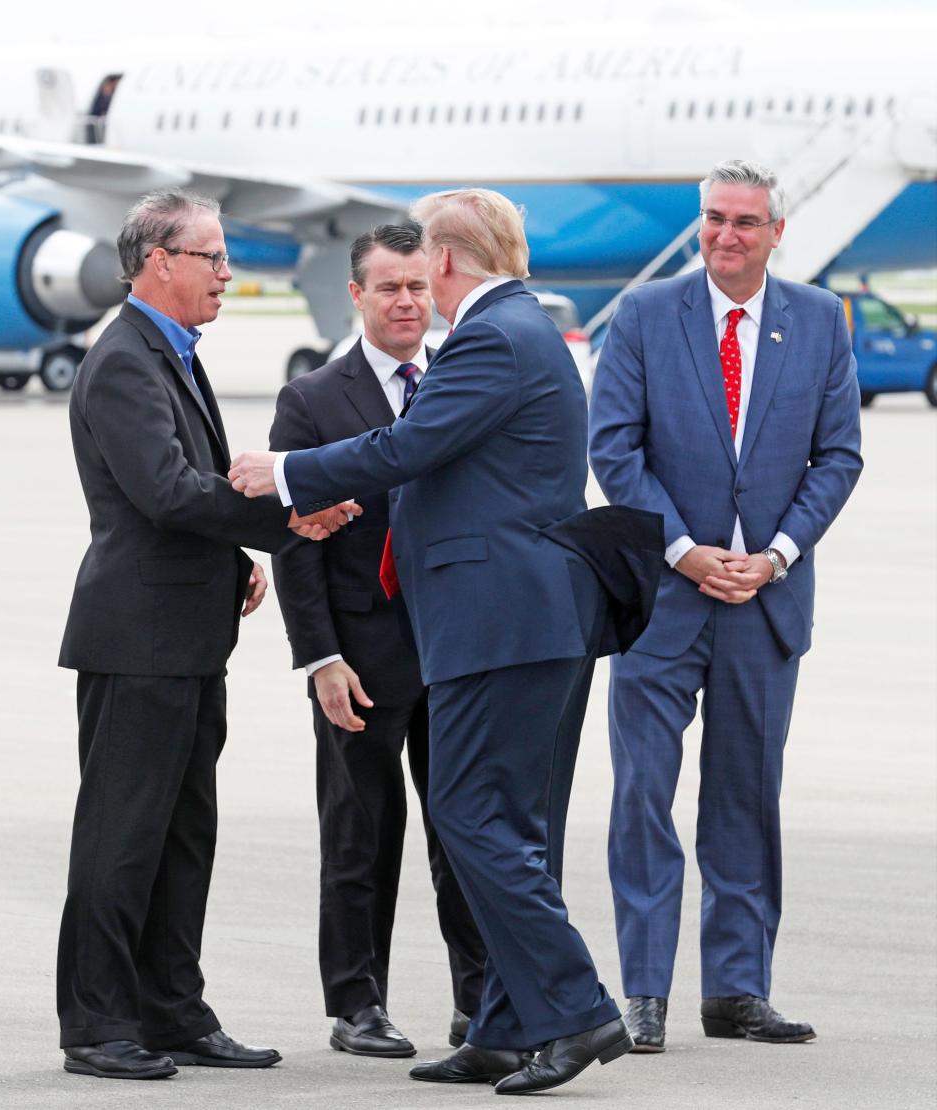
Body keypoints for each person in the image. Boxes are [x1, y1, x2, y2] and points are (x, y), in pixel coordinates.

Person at [230, 188, 664, 1095]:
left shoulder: (492, 337)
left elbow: (406, 447)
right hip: (517, 617)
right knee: (504, 823)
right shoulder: (520, 328)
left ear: (450, 264)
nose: (418, 285)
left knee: (469, 815)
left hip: (501, 621)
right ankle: (506, 1029)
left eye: (423, 265)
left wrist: (288, 472)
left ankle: (579, 1009)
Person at [55, 189, 355, 1080]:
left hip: (184, 633)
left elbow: (187, 494)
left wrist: (234, 558)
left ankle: (172, 1012)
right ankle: (98, 1025)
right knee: (121, 835)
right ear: (159, 263)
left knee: (183, 835)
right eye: (213, 258)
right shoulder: (124, 360)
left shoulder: (169, 353)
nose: (228, 274)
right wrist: (282, 517)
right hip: (136, 638)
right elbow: (164, 492)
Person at [588, 159, 863, 1052]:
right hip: (664, 600)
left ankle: (737, 991)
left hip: (765, 603)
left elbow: (839, 457)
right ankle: (644, 995)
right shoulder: (644, 314)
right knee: (642, 797)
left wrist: (777, 554)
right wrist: (684, 550)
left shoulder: (819, 321)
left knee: (745, 798)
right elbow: (615, 448)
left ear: (776, 232)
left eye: (746, 222)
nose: (726, 236)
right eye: (713, 218)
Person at [269, 222, 486, 1058]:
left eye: (417, 287)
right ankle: (357, 1005)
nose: (405, 301)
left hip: (459, 651)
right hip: (360, 655)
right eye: (388, 287)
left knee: (464, 833)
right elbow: (296, 540)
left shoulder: (462, 385)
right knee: (360, 836)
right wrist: (320, 657)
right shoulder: (314, 400)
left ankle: (479, 1000)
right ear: (356, 295)